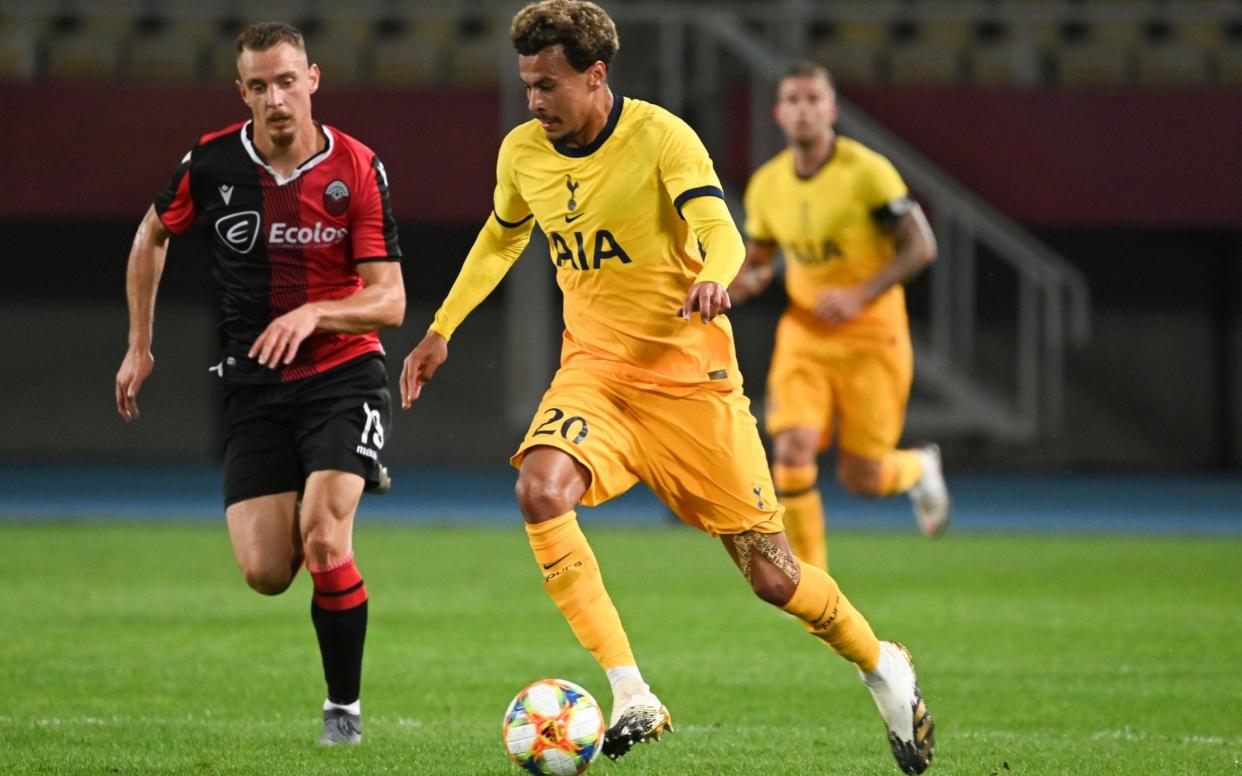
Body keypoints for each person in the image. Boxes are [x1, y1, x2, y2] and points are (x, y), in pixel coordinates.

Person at [400, 3, 934, 772]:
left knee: (772, 577)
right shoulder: (523, 152)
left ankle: (883, 666)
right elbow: (502, 234)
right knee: (540, 488)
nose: (535, 102)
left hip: (690, 382)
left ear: (596, 75)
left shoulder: (662, 138)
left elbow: (721, 231)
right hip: (596, 374)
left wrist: (715, 280)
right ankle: (631, 693)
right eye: (526, 86)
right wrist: (442, 328)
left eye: (548, 85)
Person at [114, 21, 404, 746]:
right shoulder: (210, 164)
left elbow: (390, 301)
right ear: (241, 92)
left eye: (287, 79)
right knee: (268, 572)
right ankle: (338, 472)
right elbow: (152, 233)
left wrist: (314, 312)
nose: (276, 97)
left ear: (313, 78)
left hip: (344, 374)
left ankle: (344, 714)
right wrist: (138, 345)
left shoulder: (357, 167)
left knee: (326, 540)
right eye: (259, 85)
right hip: (254, 385)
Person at [728, 62, 951, 573]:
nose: (803, 110)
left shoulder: (866, 172)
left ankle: (919, 468)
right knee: (792, 446)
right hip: (805, 334)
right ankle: (810, 584)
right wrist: (735, 283)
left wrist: (858, 294)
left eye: (813, 100)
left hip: (873, 335)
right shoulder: (767, 185)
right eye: (794, 100)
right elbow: (760, 261)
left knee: (863, 478)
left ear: (830, 110)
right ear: (779, 113)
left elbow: (921, 246)